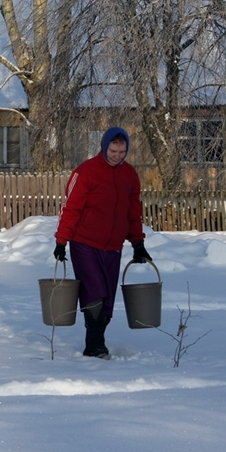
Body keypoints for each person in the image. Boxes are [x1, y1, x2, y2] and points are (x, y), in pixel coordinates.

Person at [53, 126, 152, 359]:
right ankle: (94, 346)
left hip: (113, 247)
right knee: (94, 293)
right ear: (104, 146)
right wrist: (61, 241)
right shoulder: (86, 172)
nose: (117, 155)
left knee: (107, 299)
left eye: (122, 151)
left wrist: (138, 243)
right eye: (113, 150)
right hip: (84, 243)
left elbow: (133, 212)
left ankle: (98, 343)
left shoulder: (129, 175)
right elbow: (71, 208)